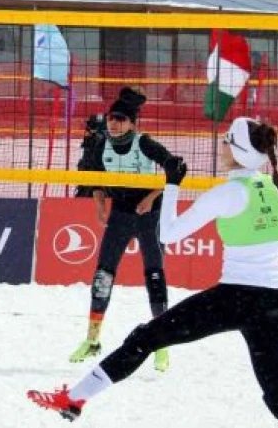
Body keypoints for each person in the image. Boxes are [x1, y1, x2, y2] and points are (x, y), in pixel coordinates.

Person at [29, 117, 278, 428]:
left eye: (226, 141)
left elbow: (169, 234)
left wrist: (172, 185)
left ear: (239, 150)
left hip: (233, 298)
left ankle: (75, 398)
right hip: (272, 302)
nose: (221, 146)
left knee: (145, 338)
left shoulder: (228, 193)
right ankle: (74, 398)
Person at [69, 87, 175, 372]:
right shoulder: (101, 144)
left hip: (148, 214)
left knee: (154, 275)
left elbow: (173, 170)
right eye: (111, 118)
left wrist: (150, 199)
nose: (113, 123)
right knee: (103, 275)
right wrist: (101, 206)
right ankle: (92, 340)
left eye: (120, 118)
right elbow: (96, 179)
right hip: (120, 214)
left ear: (132, 122)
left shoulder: (145, 143)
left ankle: (161, 346)